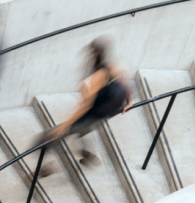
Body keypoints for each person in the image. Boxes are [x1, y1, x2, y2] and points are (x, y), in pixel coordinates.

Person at [42, 38, 132, 167]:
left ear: (95, 53)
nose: (89, 55)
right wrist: (130, 102)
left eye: (91, 52)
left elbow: (85, 106)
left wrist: (64, 125)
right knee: (80, 131)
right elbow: (124, 84)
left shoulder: (96, 78)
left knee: (56, 134)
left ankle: (46, 165)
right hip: (103, 111)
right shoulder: (112, 67)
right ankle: (87, 155)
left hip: (94, 111)